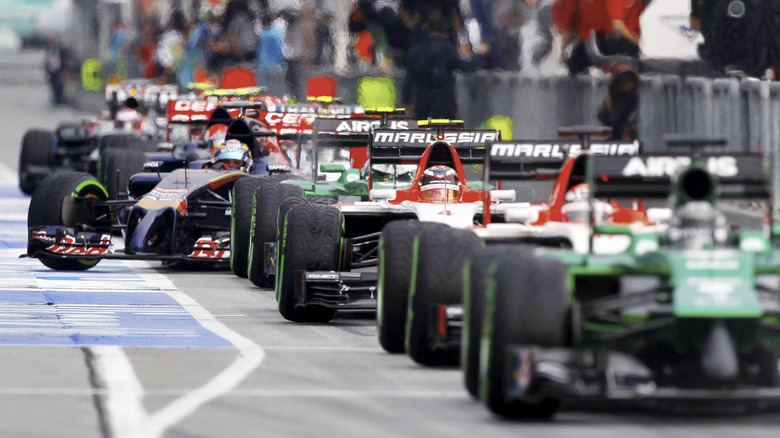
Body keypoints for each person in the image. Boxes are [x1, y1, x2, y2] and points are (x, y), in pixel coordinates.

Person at [402, 9, 478, 119]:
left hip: (422, 100)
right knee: (446, 127)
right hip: (444, 100)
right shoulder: (447, 48)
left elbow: (409, 78)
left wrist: (407, 101)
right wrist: (478, 58)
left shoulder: (415, 49)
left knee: (423, 127)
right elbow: (464, 67)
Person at [44, 37, 74, 106]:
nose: (51, 44)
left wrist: (66, 71)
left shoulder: (61, 50)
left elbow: (66, 60)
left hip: (59, 72)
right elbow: (47, 62)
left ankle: (61, 100)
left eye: (53, 43)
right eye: (50, 43)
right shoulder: (49, 51)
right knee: (53, 87)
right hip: (52, 72)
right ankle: (56, 100)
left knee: (60, 86)